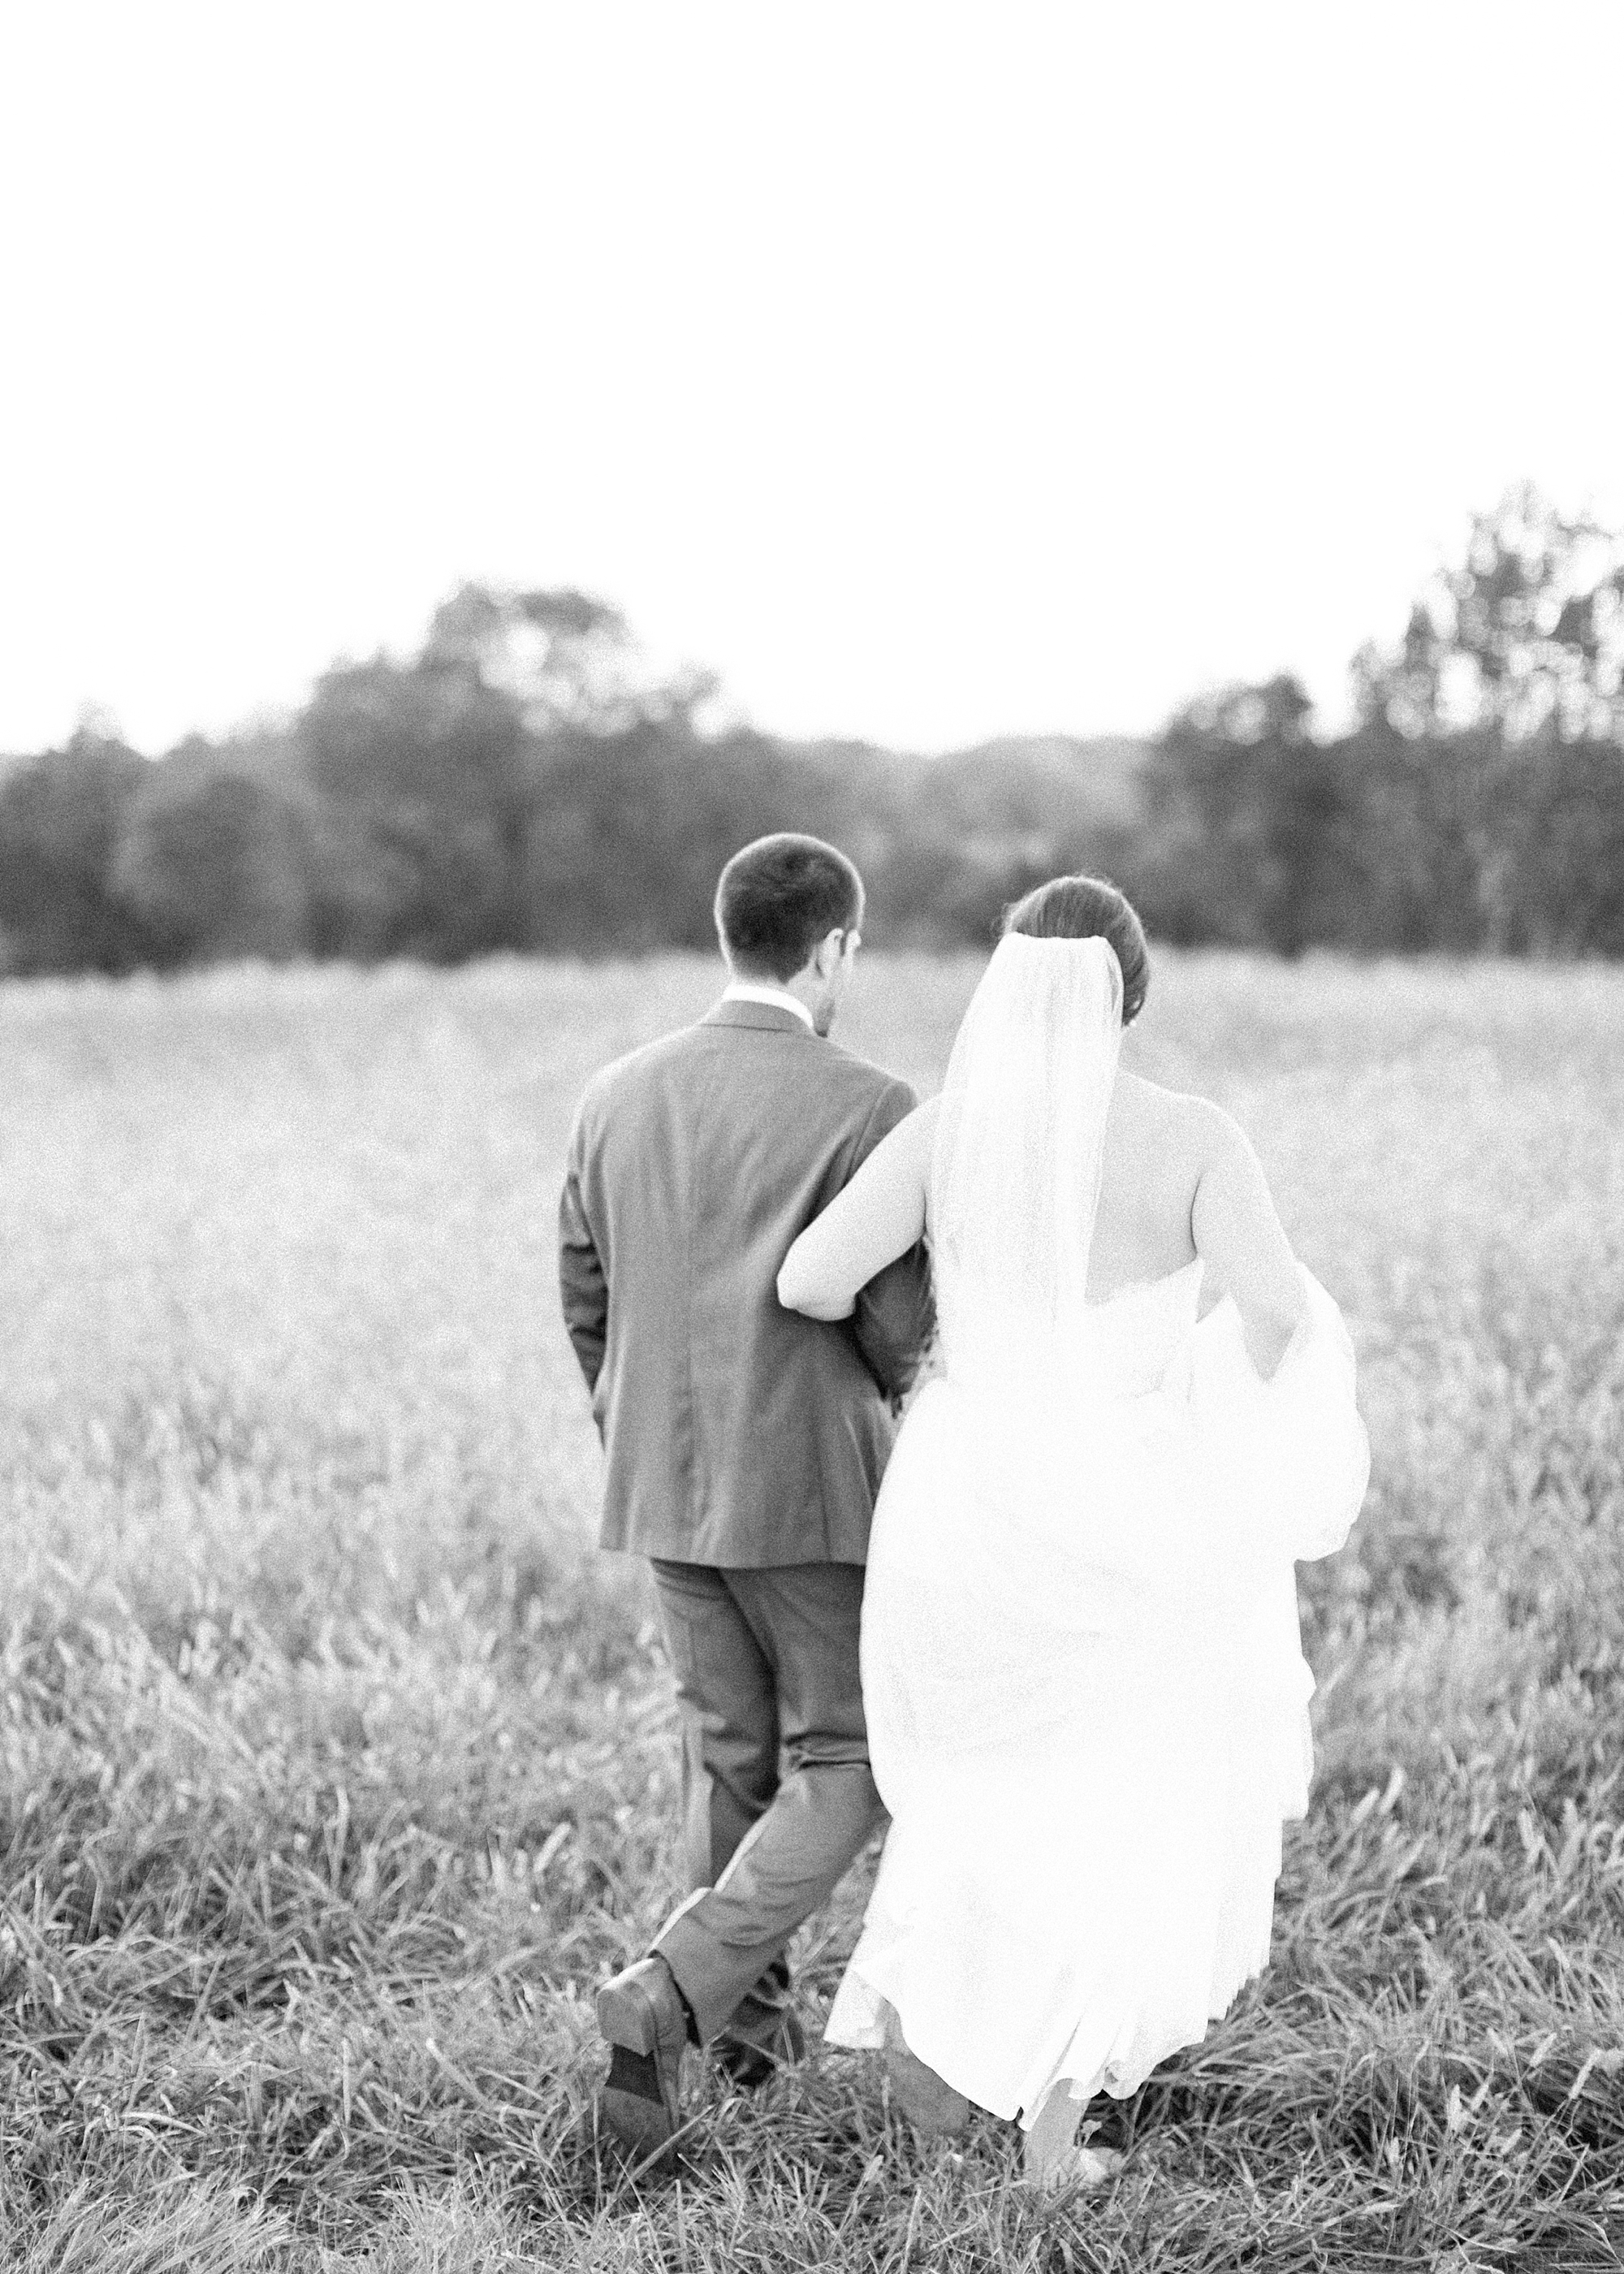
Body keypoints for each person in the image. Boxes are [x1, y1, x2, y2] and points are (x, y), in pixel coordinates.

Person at [777, 875, 1370, 2192]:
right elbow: (1280, 1317)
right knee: (1125, 1793)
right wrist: (1197, 1386)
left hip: (972, 1504)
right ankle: (1060, 2108)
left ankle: (950, 2042)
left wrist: (936, 1336)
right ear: (1134, 993)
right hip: (1142, 1508)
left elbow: (809, 1278)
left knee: (988, 1782)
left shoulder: (951, 1136)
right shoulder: (1198, 1137)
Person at [559, 832, 934, 2166]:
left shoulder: (615, 1091)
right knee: (848, 1757)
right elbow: (898, 1324)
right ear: (832, 947)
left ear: (730, 937)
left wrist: (635, 1423)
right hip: (812, 1490)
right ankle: (669, 1992)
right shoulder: (869, 1102)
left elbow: (583, 1289)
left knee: (728, 1751)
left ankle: (746, 2050)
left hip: (659, 1479)